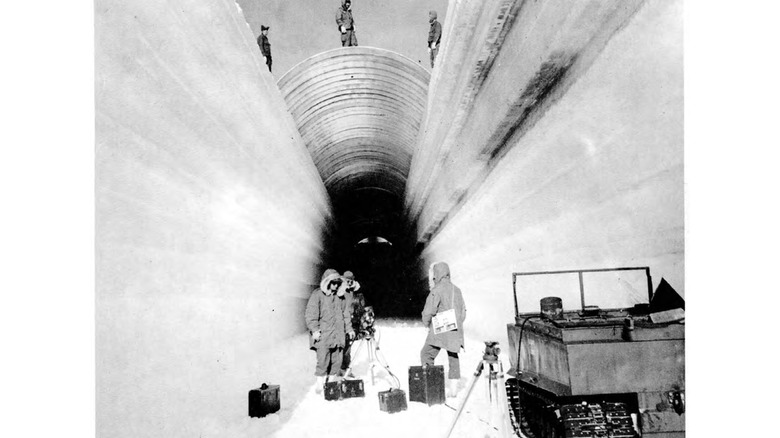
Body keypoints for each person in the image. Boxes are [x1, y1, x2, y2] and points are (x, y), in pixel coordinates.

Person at [420, 261, 466, 397]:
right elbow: (463, 312)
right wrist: (456, 323)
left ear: (437, 275)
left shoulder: (436, 290)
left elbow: (429, 311)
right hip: (454, 329)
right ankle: (454, 388)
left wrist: (427, 323)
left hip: (439, 329)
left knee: (426, 354)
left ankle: (431, 386)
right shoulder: (457, 290)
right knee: (453, 355)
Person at [306, 269, 355, 393]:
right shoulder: (317, 295)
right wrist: (315, 330)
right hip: (324, 336)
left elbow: (346, 315)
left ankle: (331, 385)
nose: (335, 285)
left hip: (338, 335)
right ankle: (320, 385)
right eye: (333, 283)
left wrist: (349, 329)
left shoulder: (341, 298)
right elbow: (311, 315)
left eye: (338, 283)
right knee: (323, 361)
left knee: (337, 361)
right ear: (327, 282)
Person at [337, 270, 362, 377]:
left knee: (347, 347)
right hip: (341, 323)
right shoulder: (341, 292)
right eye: (347, 281)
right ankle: (339, 369)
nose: (349, 283)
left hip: (349, 322)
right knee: (341, 347)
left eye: (351, 281)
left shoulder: (353, 292)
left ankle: (345, 368)